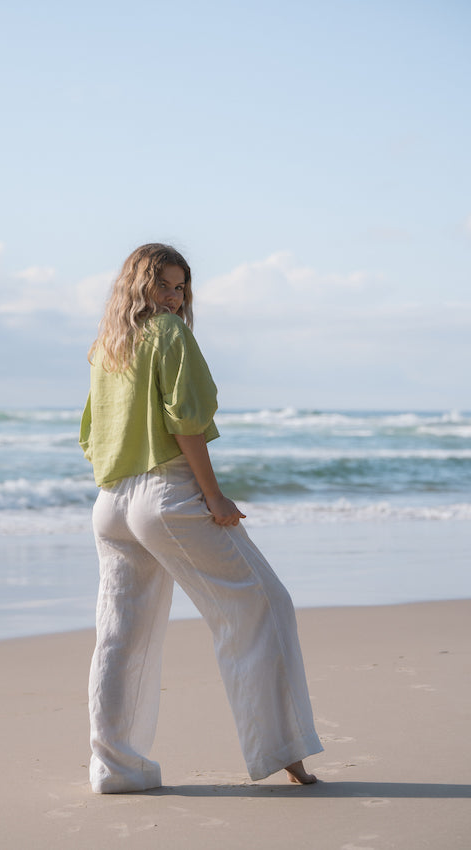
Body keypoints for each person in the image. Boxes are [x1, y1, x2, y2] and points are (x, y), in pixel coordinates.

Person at [79, 243, 322, 793]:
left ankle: (116, 770)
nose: (173, 296)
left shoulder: (105, 347)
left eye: (180, 287)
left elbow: (90, 437)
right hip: (165, 494)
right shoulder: (170, 334)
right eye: (163, 284)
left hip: (110, 504)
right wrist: (212, 497)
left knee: (121, 638)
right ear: (138, 286)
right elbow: (185, 422)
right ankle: (284, 751)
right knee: (263, 603)